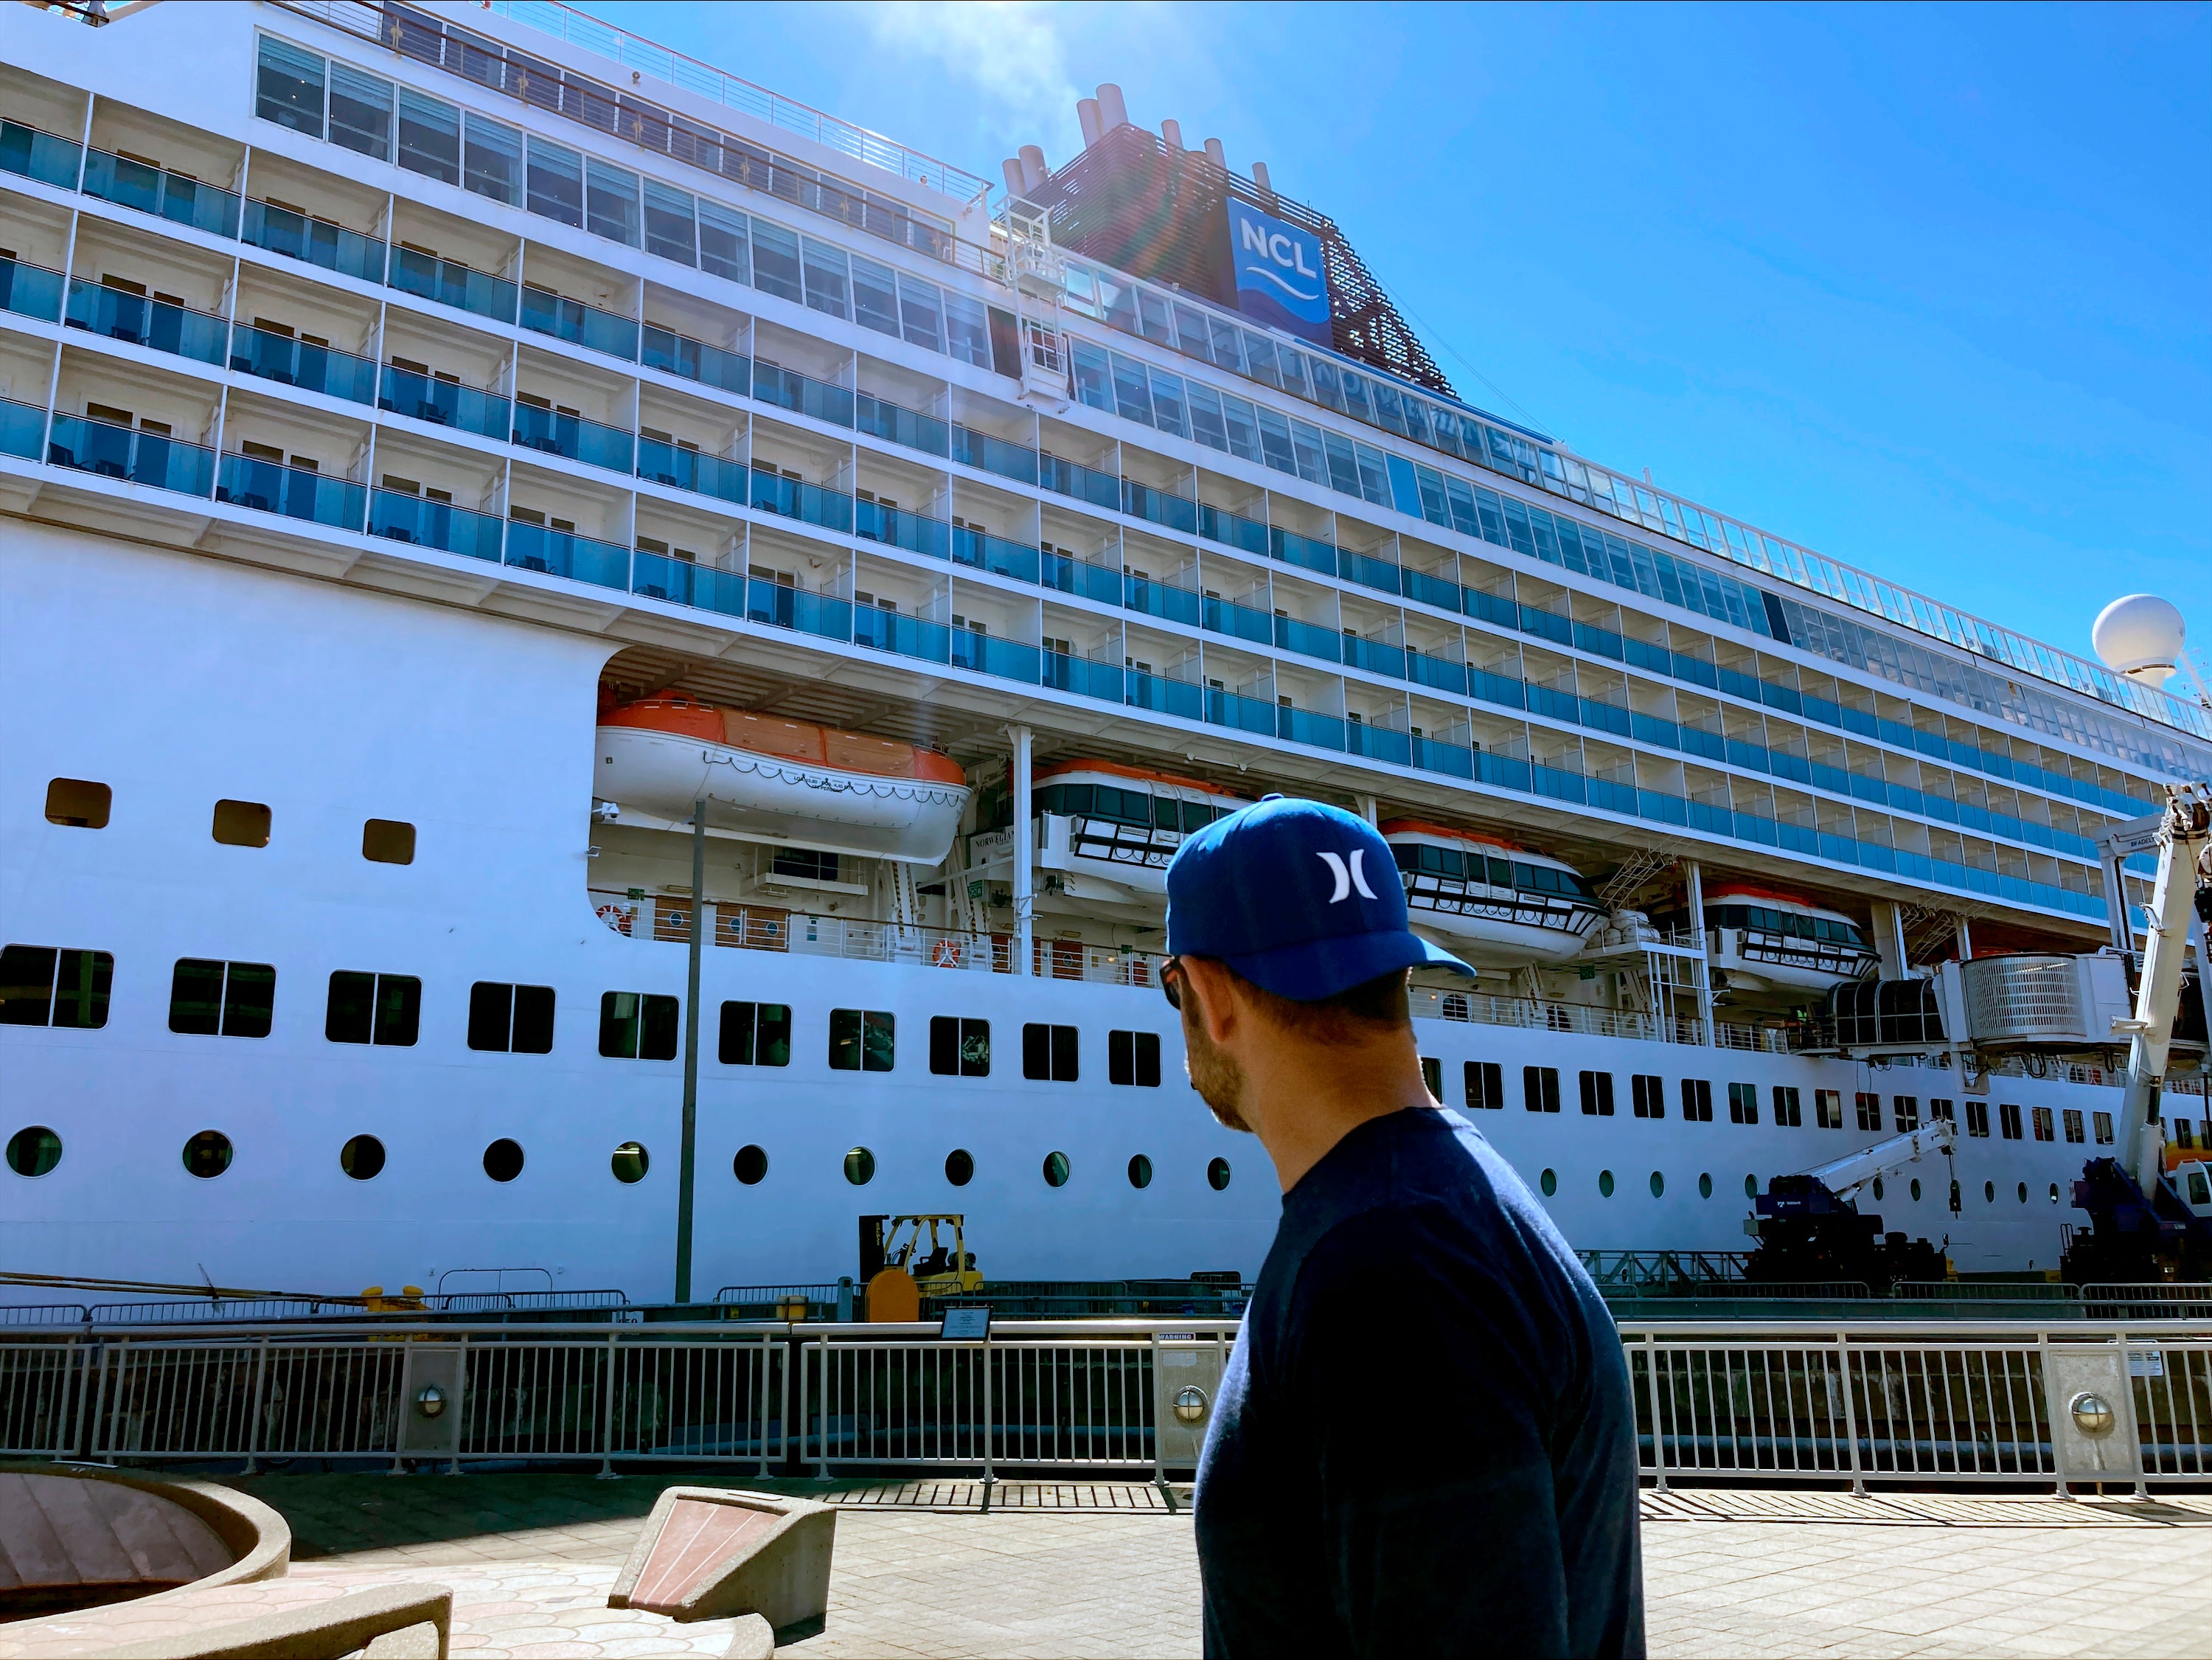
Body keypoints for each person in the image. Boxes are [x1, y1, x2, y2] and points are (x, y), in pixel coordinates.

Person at [1165, 795, 1644, 1659]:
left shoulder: (1384, 1268)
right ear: (1401, 974)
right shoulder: (1444, 1203)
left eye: (1171, 988)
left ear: (1208, 989)